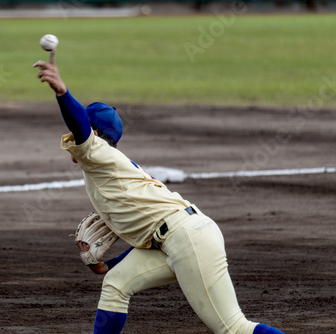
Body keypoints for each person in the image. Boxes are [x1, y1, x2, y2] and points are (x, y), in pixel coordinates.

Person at [33, 55, 285, 334]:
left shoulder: (99, 155)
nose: (72, 135)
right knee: (115, 283)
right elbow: (152, 234)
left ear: (93, 133)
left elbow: (80, 125)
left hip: (189, 239)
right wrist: (108, 264)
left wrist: (62, 92)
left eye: (78, 132)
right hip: (177, 237)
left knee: (234, 328)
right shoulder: (104, 164)